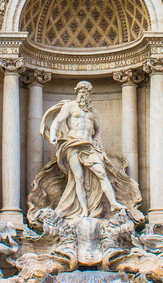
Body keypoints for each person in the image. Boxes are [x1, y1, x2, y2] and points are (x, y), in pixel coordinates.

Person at [28, 81, 142, 222]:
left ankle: (113, 204)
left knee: (101, 173)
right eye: (81, 92)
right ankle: (84, 210)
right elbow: (57, 121)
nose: (83, 94)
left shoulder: (92, 111)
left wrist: (97, 139)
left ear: (89, 94)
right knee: (79, 178)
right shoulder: (70, 106)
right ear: (77, 93)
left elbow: (98, 129)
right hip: (72, 144)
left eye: (86, 92)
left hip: (88, 146)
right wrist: (53, 135)